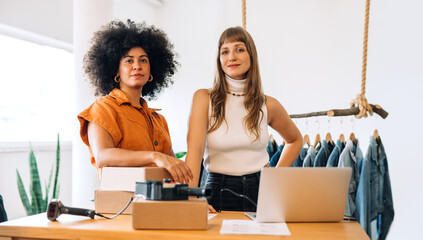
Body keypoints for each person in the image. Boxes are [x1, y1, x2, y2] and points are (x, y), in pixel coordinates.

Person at [185, 26, 303, 212]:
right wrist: (191, 196)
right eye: (225, 51)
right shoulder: (203, 98)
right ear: (219, 59)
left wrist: (275, 177)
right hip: (217, 190)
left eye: (239, 49)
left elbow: (295, 140)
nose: (231, 57)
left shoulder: (268, 104)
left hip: (261, 190)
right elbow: (195, 151)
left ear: (251, 56)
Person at [78, 19, 192, 184]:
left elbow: (175, 172)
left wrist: (193, 200)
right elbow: (103, 156)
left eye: (143, 60)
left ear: (152, 70)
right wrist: (155, 156)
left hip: (161, 203)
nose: (137, 66)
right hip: (122, 203)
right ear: (116, 70)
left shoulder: (158, 120)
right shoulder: (103, 108)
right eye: (129, 60)